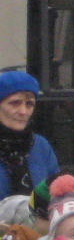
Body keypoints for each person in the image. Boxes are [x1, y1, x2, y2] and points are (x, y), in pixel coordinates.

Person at [0, 70, 58, 199]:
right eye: (15, 103)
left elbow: (56, 192)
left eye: (30, 104)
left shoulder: (40, 145)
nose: (23, 111)